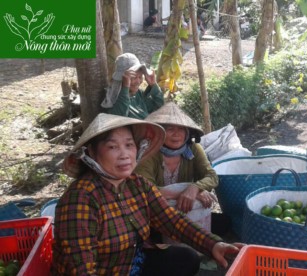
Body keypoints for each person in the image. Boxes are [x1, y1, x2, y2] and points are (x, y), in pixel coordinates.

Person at [52, 113, 243, 275]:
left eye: (129, 145)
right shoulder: (80, 200)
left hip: (133, 261)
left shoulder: (137, 184)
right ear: (91, 153)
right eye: (112, 147)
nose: (125, 154)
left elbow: (172, 221)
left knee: (187, 259)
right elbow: (81, 270)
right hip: (108, 271)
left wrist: (213, 244)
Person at [135, 102, 230, 235]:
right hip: (157, 213)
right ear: (159, 132)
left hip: (186, 211)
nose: (176, 134)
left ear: (187, 132)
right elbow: (144, 190)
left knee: (224, 223)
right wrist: (188, 194)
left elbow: (212, 176)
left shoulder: (193, 148)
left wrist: (195, 187)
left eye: (181, 129)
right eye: (170, 129)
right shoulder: (149, 152)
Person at [101, 53, 164, 119]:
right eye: (133, 77)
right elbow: (119, 117)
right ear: (122, 79)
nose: (138, 82)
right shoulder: (113, 98)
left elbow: (159, 109)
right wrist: (125, 87)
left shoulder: (138, 94)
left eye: (140, 77)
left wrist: (153, 85)